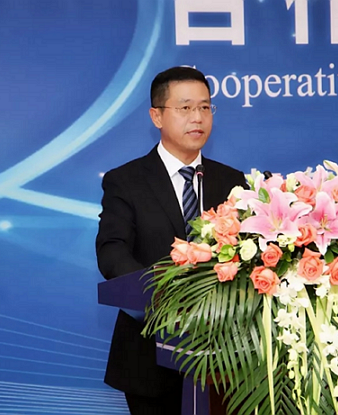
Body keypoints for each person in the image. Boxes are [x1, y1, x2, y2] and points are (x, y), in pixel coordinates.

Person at [96, 66, 248, 415]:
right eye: (185, 107)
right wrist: (167, 303)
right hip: (150, 355)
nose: (198, 117)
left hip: (225, 359)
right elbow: (112, 251)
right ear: (157, 116)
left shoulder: (233, 181)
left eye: (205, 107)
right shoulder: (126, 181)